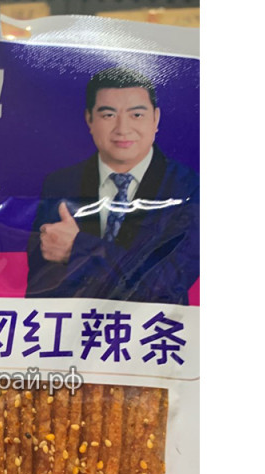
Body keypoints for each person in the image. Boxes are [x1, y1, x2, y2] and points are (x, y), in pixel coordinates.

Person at [26, 67, 199, 304]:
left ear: (155, 119)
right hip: (76, 325)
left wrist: (80, 248)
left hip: (153, 326)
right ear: (89, 119)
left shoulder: (190, 187)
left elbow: (167, 281)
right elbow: (41, 285)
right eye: (108, 115)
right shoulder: (60, 184)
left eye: (136, 115)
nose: (122, 129)